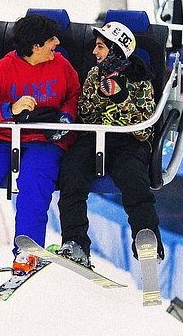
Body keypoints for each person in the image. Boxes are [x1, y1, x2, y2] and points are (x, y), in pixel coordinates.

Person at [0, 14, 80, 274]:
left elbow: (74, 94)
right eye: (51, 40)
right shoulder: (4, 68)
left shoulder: (61, 64)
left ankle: (28, 247)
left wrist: (67, 115)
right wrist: (8, 108)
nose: (57, 43)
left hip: (43, 137)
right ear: (35, 46)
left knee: (35, 180)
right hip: (2, 137)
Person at [56, 21, 163, 267]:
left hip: (129, 140)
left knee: (133, 179)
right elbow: (85, 113)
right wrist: (97, 98)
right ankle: (75, 242)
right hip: (96, 135)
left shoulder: (140, 77)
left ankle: (146, 239)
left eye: (101, 47)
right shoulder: (95, 75)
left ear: (116, 49)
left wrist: (121, 98)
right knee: (72, 174)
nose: (95, 52)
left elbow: (144, 125)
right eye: (96, 46)